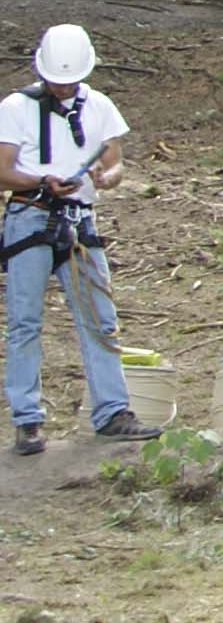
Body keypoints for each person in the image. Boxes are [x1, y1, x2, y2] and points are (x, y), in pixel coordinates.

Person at [3, 25, 148, 455]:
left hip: (81, 223)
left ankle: (112, 411)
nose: (63, 85)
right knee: (25, 322)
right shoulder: (14, 108)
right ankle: (27, 420)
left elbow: (114, 160)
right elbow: (2, 169)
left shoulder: (99, 106)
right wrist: (40, 181)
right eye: (56, 79)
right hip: (30, 218)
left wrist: (108, 177)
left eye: (70, 79)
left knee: (99, 318)